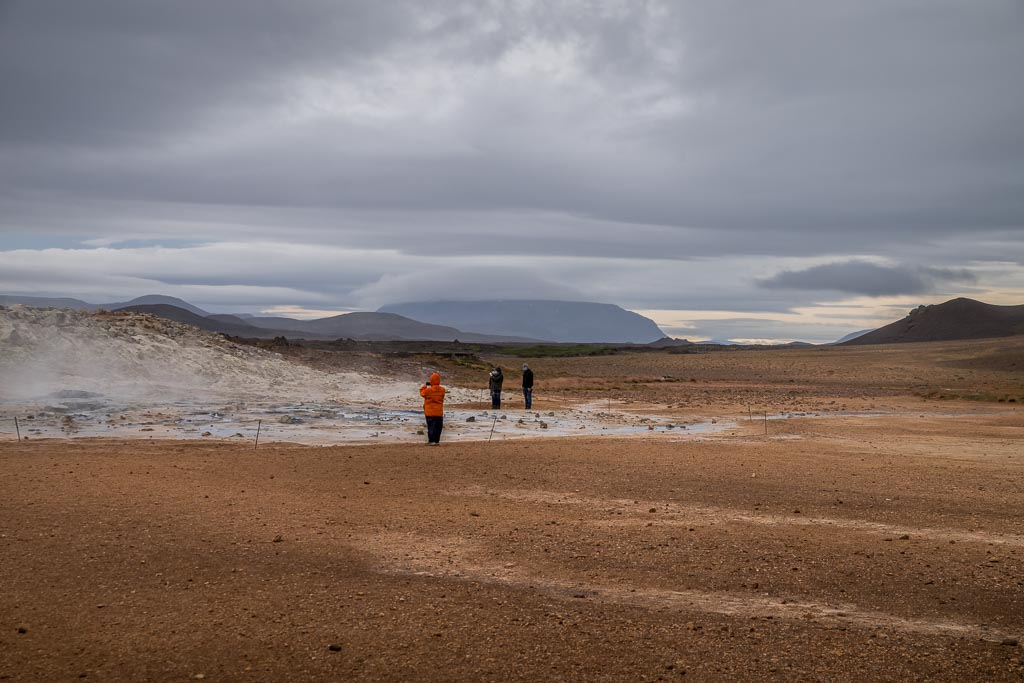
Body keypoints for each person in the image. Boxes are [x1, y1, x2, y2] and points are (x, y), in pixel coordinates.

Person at [419, 372, 446, 445]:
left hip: (430, 412)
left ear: (431, 381)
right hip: (439, 412)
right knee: (438, 428)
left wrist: (423, 387)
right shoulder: (442, 390)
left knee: (431, 427)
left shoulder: (428, 390)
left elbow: (422, 394)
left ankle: (431, 441)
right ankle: (437, 441)